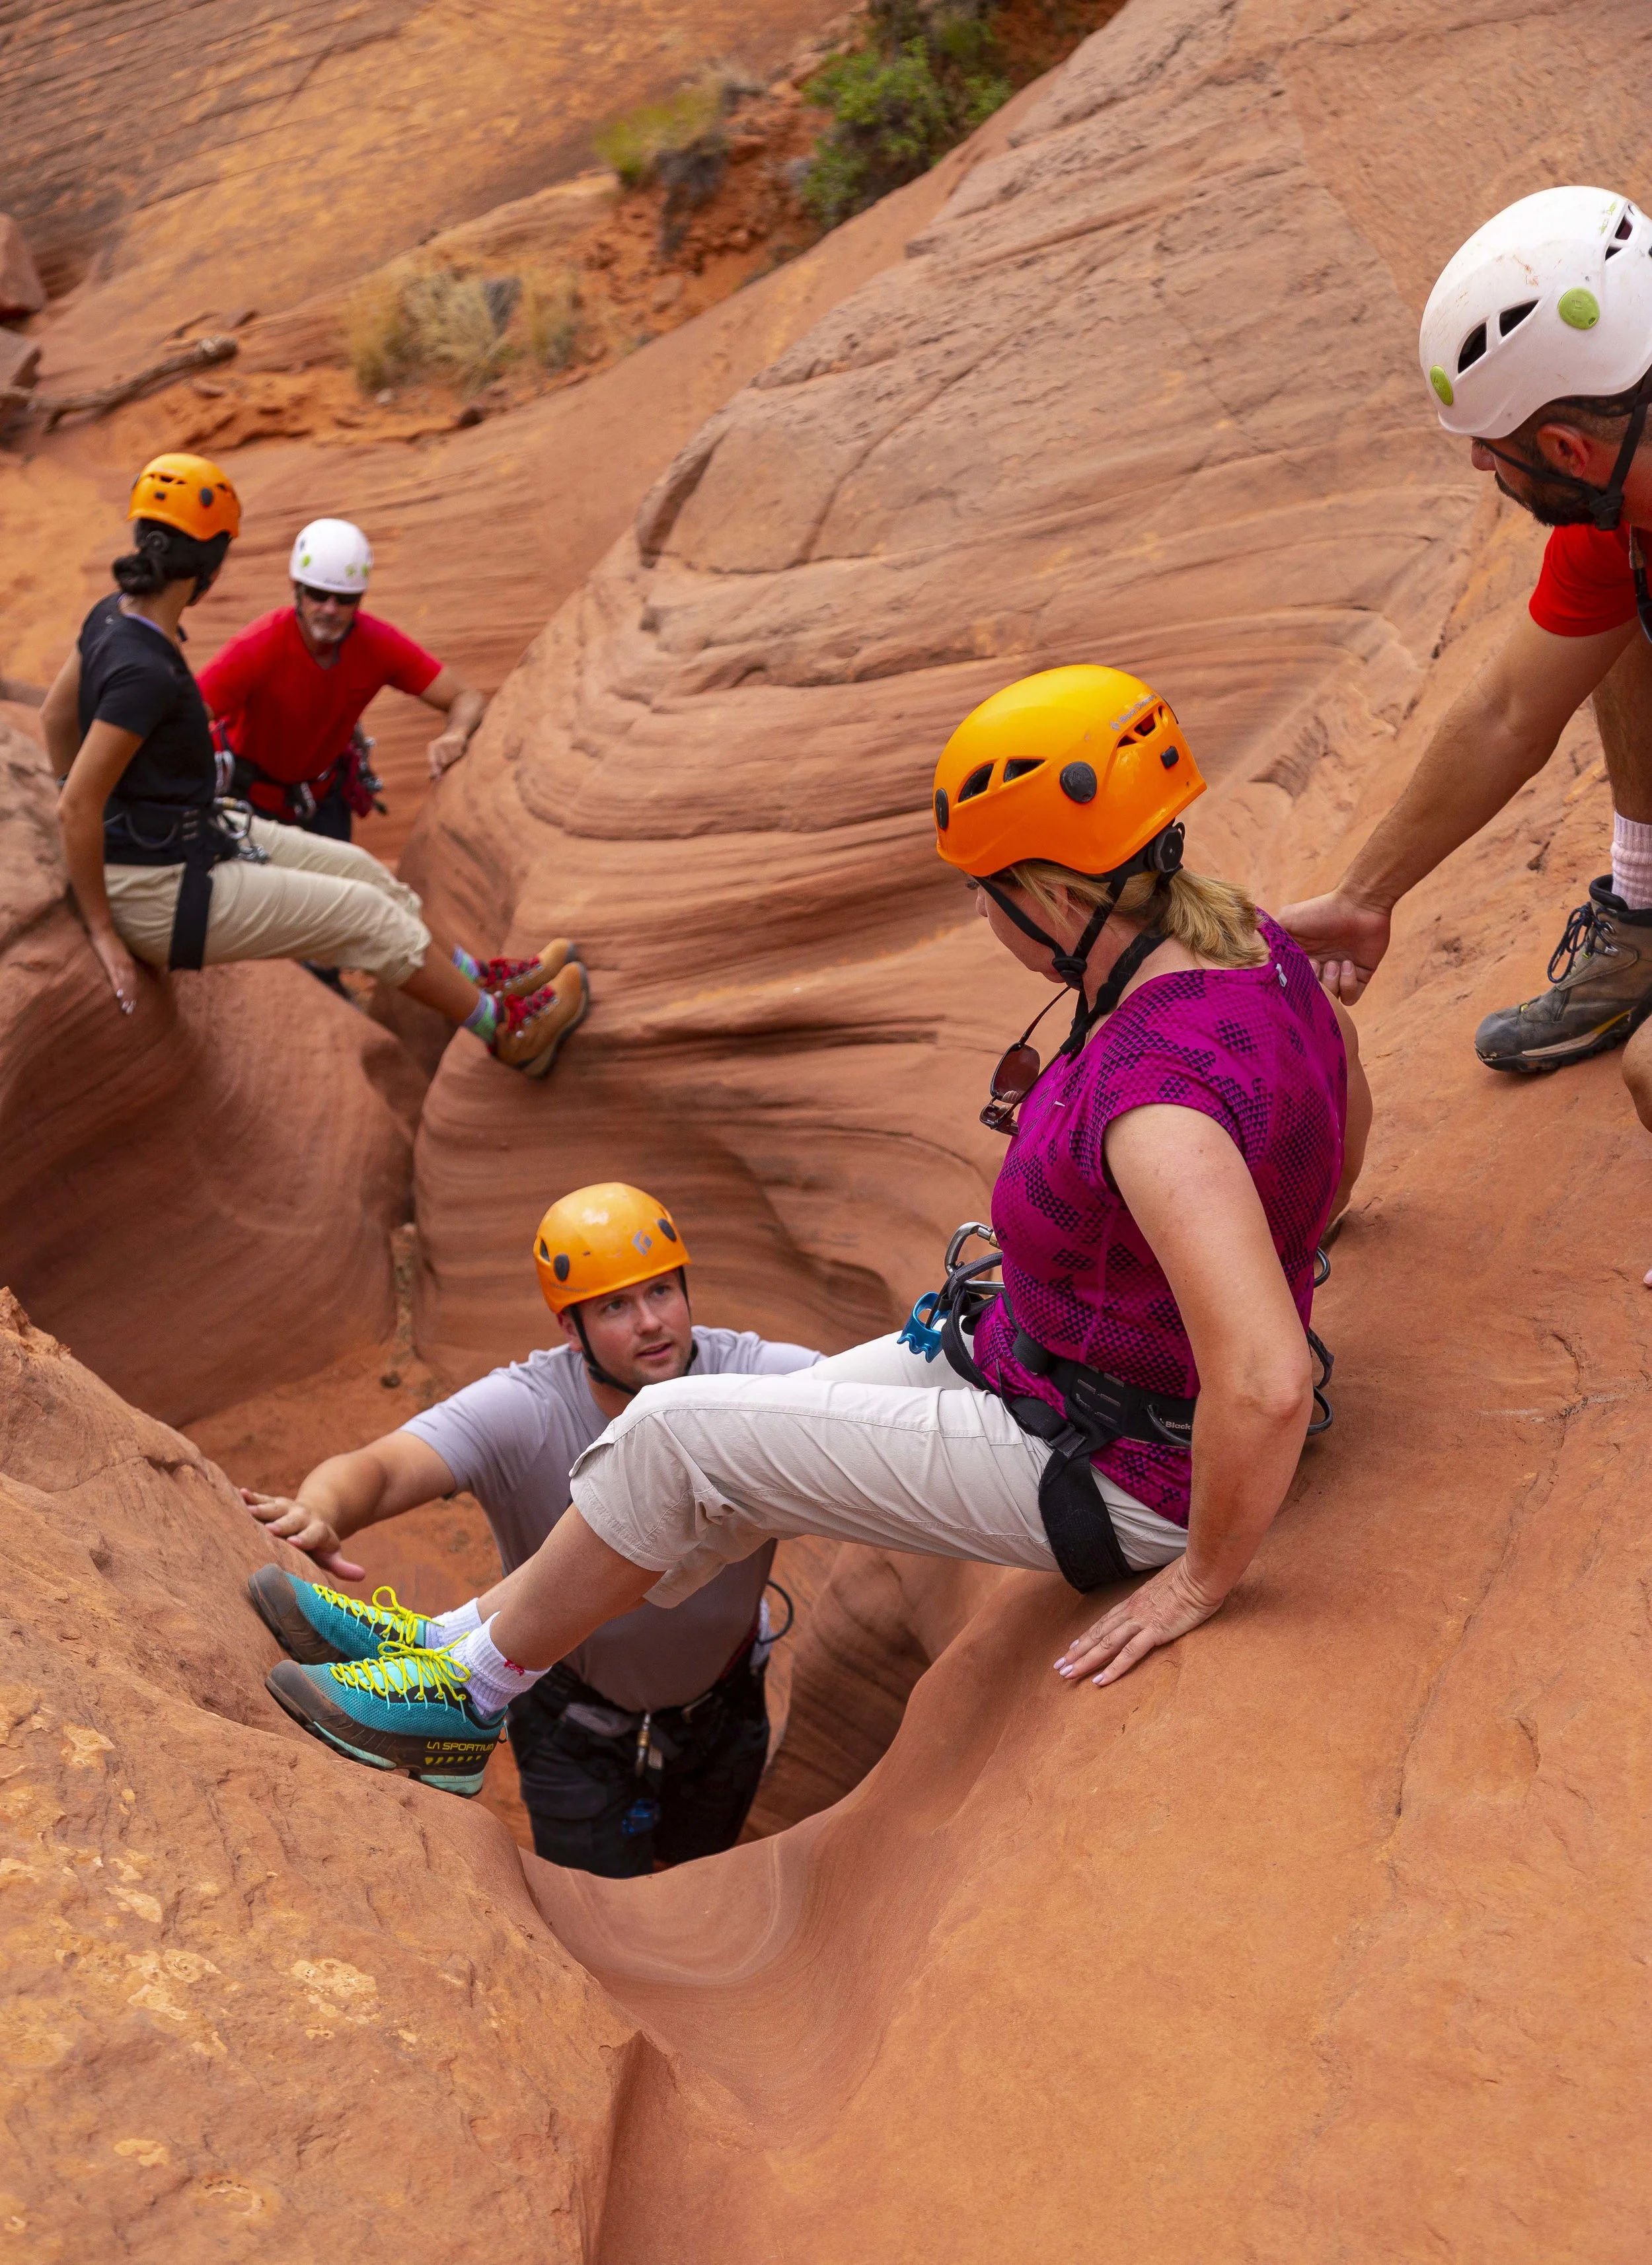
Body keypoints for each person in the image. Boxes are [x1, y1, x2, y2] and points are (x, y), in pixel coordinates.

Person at [254, 665, 1371, 1793]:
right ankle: (447, 1644)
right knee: (723, 1455)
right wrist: (1289, 1235)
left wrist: (1202, 1579)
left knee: (677, 1432)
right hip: (1037, 1369)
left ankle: (464, 1703)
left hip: (1122, 1470)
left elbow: (1269, 1380)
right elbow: (1346, 1086)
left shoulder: (1155, 1101)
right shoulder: (1261, 950)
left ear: (1052, 893)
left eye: (983, 888)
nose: (980, 913)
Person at [245, 1183, 822, 1874]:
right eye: (614, 1306)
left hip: (723, 1716)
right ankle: (453, 1656)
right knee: (602, 1903)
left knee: (693, 1884)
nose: (650, 1321)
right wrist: (323, 1507)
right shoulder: (527, 1406)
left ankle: (442, 1641)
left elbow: (871, 1407)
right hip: (571, 1728)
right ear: (569, 1328)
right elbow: (385, 1467)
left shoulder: (753, 1375)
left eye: (663, 1291)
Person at [43, 453, 587, 1075]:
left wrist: (108, 821)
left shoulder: (111, 617)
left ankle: (481, 984)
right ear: (213, 569)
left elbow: (58, 722)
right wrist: (103, 927)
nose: (329, 609)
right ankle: (506, 1034)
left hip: (185, 845)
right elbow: (76, 804)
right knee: (365, 917)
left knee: (365, 874)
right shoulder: (149, 668)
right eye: (318, 595)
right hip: (159, 891)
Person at [1281, 186, 1652, 1094]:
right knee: (1620, 621)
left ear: (1567, 451)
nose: (1481, 463)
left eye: (1493, 444)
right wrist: (1366, 897)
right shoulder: (1622, 514)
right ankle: (1646, 915)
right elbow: (1508, 712)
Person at [198, 516, 485, 842]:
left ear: (360, 599)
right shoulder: (258, 646)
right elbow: (186, 715)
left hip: (321, 804)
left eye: (345, 599)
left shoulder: (377, 644)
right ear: (297, 590)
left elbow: (465, 697)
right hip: (245, 804)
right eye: (319, 594)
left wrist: (457, 733)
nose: (331, 609)